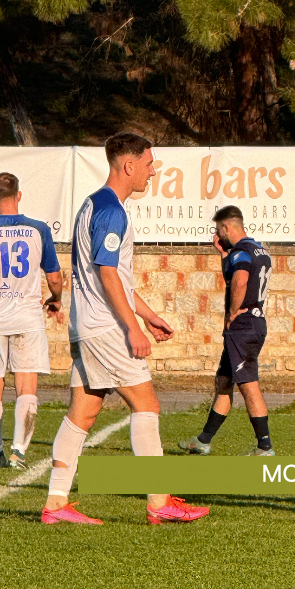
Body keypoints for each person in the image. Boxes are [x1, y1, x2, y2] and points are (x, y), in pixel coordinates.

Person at [42, 133, 210, 526]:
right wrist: (133, 328)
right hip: (105, 328)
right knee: (147, 405)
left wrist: (148, 316)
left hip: (87, 326)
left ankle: (54, 504)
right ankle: (158, 501)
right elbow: (107, 273)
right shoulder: (111, 211)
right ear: (128, 165)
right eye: (149, 164)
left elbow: (115, 276)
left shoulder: (92, 204)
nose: (153, 172)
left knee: (82, 414)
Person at [0, 172, 63, 470]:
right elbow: (55, 276)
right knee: (26, 384)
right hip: (27, 315)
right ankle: (18, 451)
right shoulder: (38, 229)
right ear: (19, 196)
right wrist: (56, 298)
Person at [178, 205, 275, 457]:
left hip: (242, 326)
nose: (217, 235)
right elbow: (234, 277)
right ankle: (203, 440)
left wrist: (232, 312)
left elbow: (240, 281)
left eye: (217, 230)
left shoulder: (242, 251)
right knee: (224, 380)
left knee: (248, 385)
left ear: (226, 227)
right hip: (253, 323)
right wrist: (223, 255)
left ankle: (264, 446)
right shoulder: (257, 249)